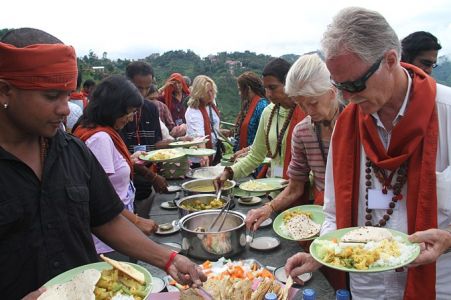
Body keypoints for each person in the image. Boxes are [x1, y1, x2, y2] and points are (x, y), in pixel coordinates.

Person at [0, 27, 205, 300]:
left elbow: (106, 219)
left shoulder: (73, 152)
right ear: (5, 91)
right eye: (51, 97)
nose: (64, 109)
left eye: (67, 95)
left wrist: (167, 260)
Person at [285, 7, 451, 300]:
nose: (348, 97)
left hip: (438, 283)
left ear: (390, 60)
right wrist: (321, 254)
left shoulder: (446, 113)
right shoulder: (348, 128)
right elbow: (334, 213)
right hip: (368, 286)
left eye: (355, 85)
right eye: (340, 87)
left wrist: (449, 239)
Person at [246, 53, 342, 228]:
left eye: (313, 103)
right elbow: (296, 186)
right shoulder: (303, 132)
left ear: (332, 92)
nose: (308, 111)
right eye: (301, 104)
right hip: (325, 216)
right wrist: (268, 208)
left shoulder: (358, 124)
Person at [73, 75, 159, 259]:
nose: (130, 118)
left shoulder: (100, 130)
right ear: (113, 108)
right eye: (128, 112)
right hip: (108, 240)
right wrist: (137, 221)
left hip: (117, 228)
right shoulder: (100, 139)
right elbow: (102, 197)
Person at [216, 58, 306, 189]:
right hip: (275, 189)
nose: (268, 94)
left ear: (289, 83)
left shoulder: (306, 111)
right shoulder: (268, 112)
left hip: (303, 193)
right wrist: (228, 172)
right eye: (266, 88)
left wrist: (300, 180)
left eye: (273, 88)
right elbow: (255, 156)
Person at [122, 61, 168, 218]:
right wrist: (153, 177)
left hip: (148, 182)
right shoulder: (118, 112)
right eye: (138, 88)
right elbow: (123, 155)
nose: (142, 93)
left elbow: (156, 144)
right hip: (126, 182)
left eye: (147, 88)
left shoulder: (151, 109)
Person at [185, 75, 223, 166]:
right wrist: (204, 155)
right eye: (207, 92)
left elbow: (212, 126)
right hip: (199, 158)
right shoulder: (194, 111)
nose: (210, 94)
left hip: (214, 151)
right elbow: (199, 137)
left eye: (211, 90)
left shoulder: (211, 104)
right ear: (199, 93)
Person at [233, 71, 269, 154]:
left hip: (254, 157)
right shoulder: (248, 105)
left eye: (240, 89)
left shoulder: (262, 106)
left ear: (248, 89)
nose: (239, 93)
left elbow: (265, 138)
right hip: (243, 155)